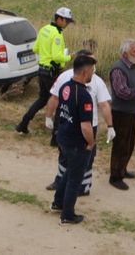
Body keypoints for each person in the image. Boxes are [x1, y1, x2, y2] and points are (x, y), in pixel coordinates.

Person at [44, 50, 115, 195]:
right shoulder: (65, 77)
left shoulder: (97, 82)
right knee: (64, 155)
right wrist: (48, 116)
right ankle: (60, 181)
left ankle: (84, 186)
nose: (93, 67)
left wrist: (110, 126)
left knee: (87, 158)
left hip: (89, 126)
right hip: (68, 123)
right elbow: (54, 98)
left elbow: (104, 105)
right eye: (91, 63)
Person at [50, 54, 96, 225]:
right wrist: (91, 143)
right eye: (91, 70)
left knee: (69, 171)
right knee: (75, 179)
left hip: (63, 137)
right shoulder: (84, 95)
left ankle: (58, 202)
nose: (92, 73)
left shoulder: (65, 87)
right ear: (85, 72)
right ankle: (67, 215)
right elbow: (85, 126)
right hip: (77, 143)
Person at [15, 7, 74, 135]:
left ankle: (23, 124)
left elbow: (36, 49)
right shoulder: (57, 34)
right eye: (67, 21)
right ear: (59, 19)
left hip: (41, 70)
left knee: (42, 99)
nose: (68, 24)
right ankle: (56, 134)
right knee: (59, 100)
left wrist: (45, 54)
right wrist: (70, 57)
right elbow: (57, 57)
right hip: (51, 72)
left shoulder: (44, 29)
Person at [108, 39, 135, 190]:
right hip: (121, 113)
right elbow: (122, 92)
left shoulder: (133, 67)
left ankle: (122, 170)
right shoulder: (118, 69)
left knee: (129, 143)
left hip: (132, 112)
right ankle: (115, 176)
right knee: (120, 144)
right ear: (125, 53)